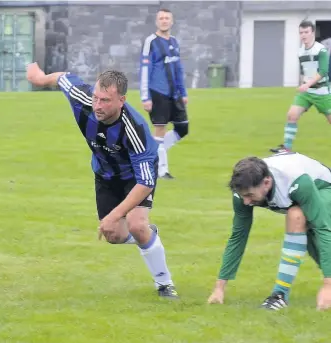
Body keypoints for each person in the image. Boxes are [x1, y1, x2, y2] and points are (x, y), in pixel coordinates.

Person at [26, 62, 179, 298]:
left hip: (135, 178)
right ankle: (149, 235)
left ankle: (165, 284)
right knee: (114, 236)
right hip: (105, 174)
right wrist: (40, 77)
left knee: (137, 224)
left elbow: (145, 183)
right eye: (96, 98)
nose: (97, 105)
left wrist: (116, 214)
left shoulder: (135, 131)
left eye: (105, 101)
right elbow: (63, 78)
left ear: (122, 100)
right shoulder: (83, 98)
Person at [207, 152, 331, 311]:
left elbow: (324, 229)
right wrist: (219, 288)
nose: (246, 201)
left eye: (250, 195)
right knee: (309, 239)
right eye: (242, 196)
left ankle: (279, 295)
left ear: (267, 182)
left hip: (326, 188)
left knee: (297, 216)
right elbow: (238, 237)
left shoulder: (296, 181)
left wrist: (328, 285)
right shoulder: (243, 191)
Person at [139, 8, 189, 179]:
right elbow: (145, 69)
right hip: (158, 92)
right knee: (160, 129)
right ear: (156, 22)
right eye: (161, 18)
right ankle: (162, 170)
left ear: (172, 21)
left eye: (167, 18)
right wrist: (145, 96)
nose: (164, 21)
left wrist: (183, 92)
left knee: (183, 128)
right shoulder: (151, 42)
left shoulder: (174, 42)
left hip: (175, 94)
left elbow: (178, 68)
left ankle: (152, 152)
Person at [270, 21, 331, 153]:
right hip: (307, 92)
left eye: (306, 32)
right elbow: (305, 71)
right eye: (301, 32)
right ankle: (287, 148)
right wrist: (303, 82)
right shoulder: (301, 52)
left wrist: (307, 84)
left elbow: (323, 72)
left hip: (322, 92)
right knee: (292, 115)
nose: (303, 35)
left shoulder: (321, 50)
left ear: (312, 33)